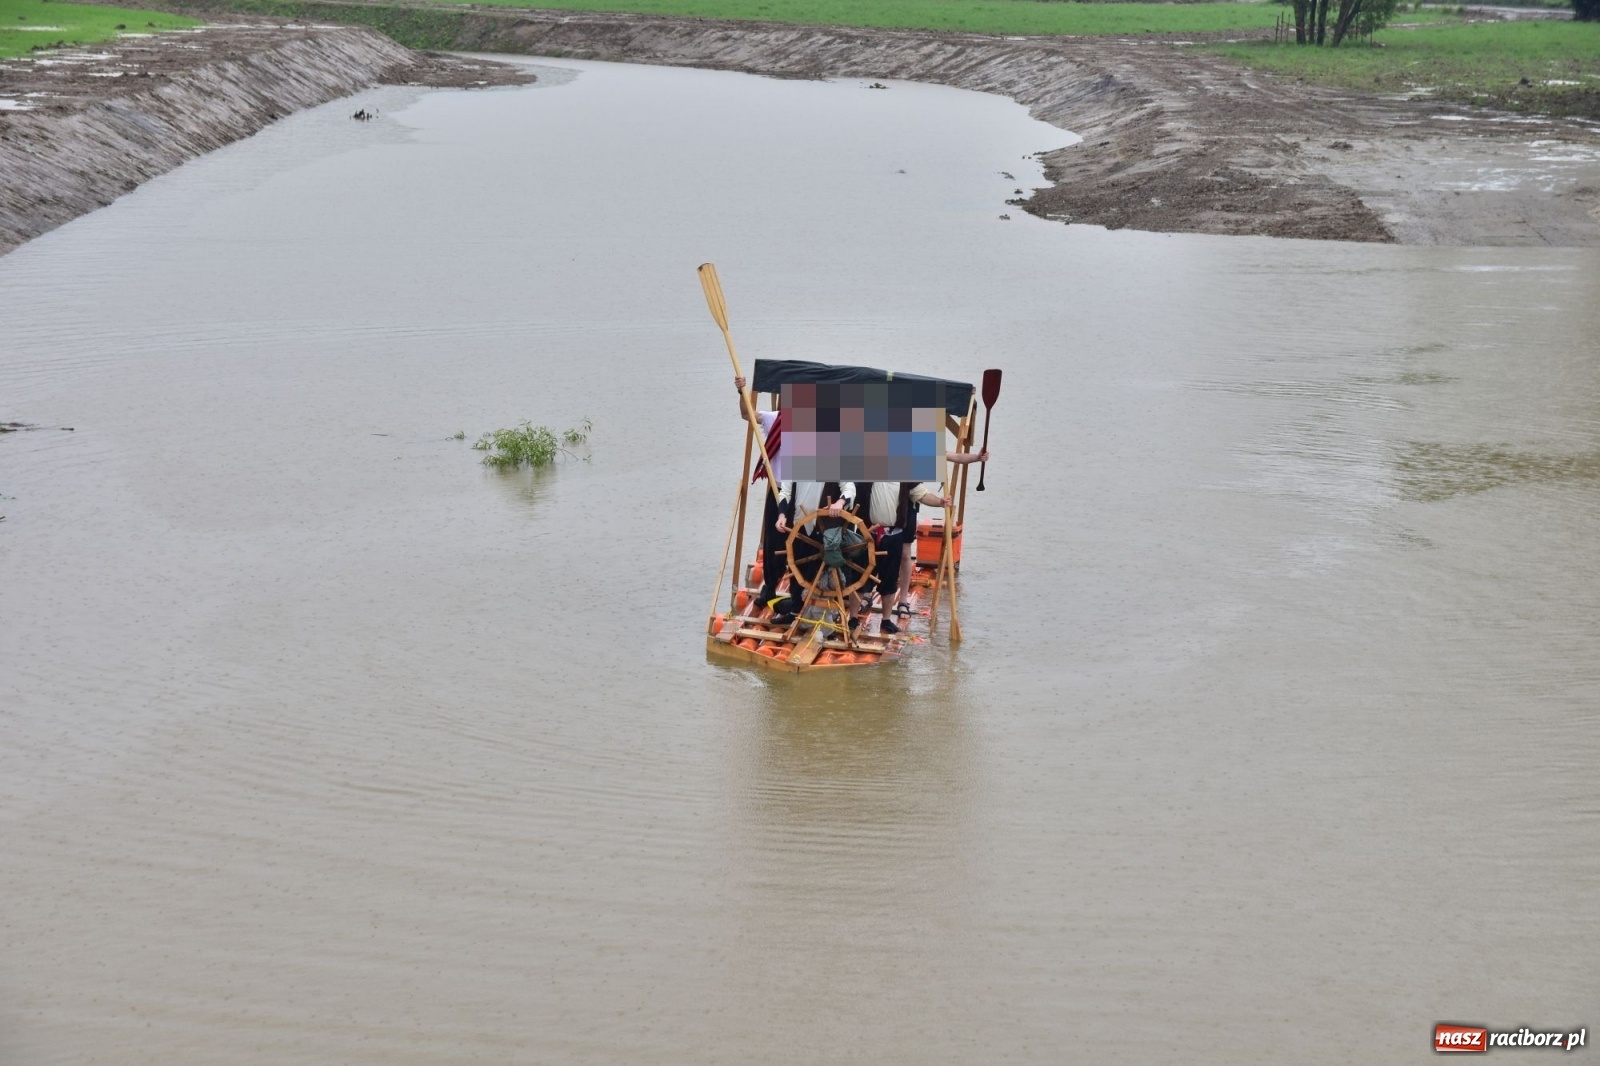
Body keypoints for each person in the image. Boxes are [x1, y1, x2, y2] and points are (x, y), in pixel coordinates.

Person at [860, 450, 987, 634]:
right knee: (868, 553)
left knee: (904, 554)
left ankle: (902, 600)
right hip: (878, 506)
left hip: (907, 501)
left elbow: (957, 457)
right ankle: (865, 594)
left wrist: (977, 457)